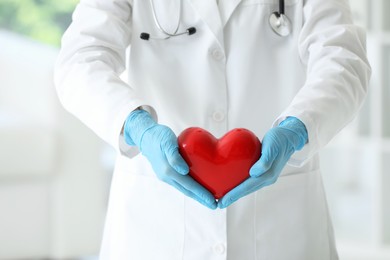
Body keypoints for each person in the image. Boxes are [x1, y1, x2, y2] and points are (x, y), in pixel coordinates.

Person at [54, 0, 370, 259]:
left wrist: (299, 126)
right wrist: (135, 124)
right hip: (155, 226)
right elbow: (80, 60)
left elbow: (343, 60)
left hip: (280, 227)